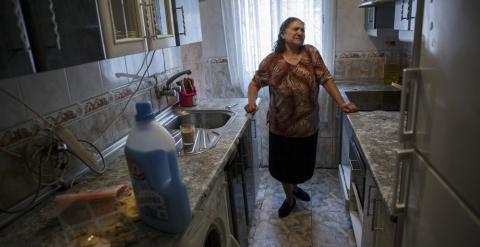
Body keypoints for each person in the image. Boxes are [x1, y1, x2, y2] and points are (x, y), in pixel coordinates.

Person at [244, 17, 357, 218]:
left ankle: (295, 188)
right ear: (283, 34)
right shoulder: (271, 61)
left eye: (303, 30)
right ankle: (289, 198)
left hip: (307, 126)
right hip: (281, 127)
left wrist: (341, 103)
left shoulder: (311, 53)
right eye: (295, 29)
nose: (300, 32)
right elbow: (254, 84)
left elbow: (326, 79)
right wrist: (252, 101)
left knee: (301, 167)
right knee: (283, 168)